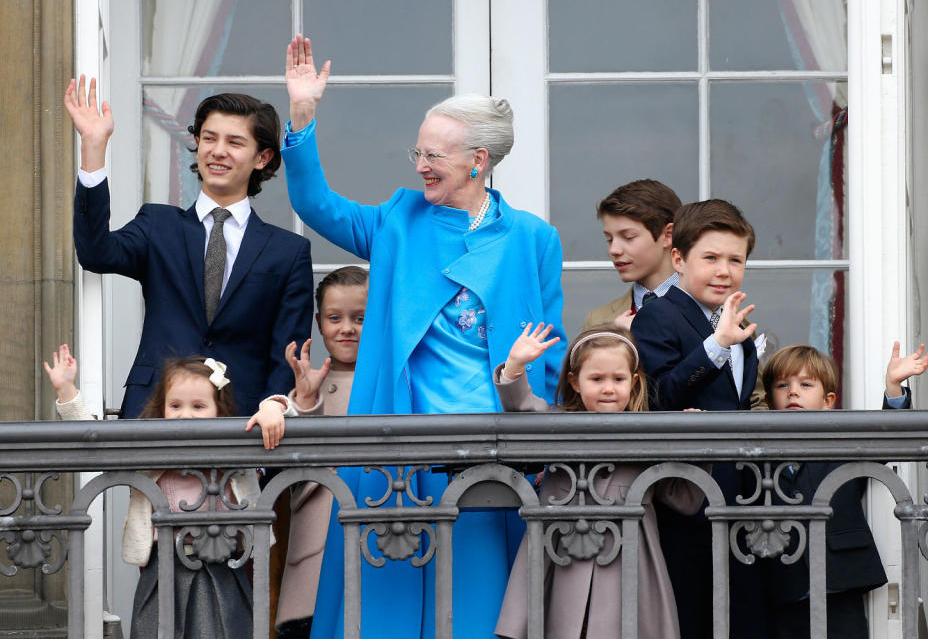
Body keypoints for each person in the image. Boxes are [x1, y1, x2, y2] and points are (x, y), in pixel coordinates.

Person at [282, 35, 566, 638]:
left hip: (492, 459)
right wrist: (303, 115)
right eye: (418, 151)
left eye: (434, 154)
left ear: (478, 160)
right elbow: (315, 202)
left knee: (476, 613)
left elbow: (550, 350)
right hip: (396, 447)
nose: (421, 165)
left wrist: (539, 442)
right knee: (381, 612)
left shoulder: (532, 239)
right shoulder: (397, 221)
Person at [65, 78, 314, 417]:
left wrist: (275, 405)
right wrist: (93, 148)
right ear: (197, 144)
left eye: (235, 142)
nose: (218, 150)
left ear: (262, 157)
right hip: (154, 412)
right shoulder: (158, 224)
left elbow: (288, 352)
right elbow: (96, 252)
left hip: (243, 424)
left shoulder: (288, 252)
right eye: (208, 138)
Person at [44, 345, 280, 638]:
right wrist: (67, 391)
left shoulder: (236, 450)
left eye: (198, 406)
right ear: (163, 408)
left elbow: (285, 423)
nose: (186, 415)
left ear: (219, 409)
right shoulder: (150, 453)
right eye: (176, 405)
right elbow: (97, 444)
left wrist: (273, 407)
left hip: (224, 569)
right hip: (164, 570)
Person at [492, 323, 704, 639]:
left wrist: (697, 444)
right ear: (574, 382)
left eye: (618, 379)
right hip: (563, 551)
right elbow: (524, 410)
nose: (608, 388)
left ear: (633, 383)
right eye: (596, 379)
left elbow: (684, 500)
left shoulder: (649, 433)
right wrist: (516, 367)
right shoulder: (558, 424)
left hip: (629, 559)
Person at [629, 199, 760, 639]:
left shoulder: (736, 326)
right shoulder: (656, 315)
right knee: (691, 616)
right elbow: (659, 396)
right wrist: (716, 345)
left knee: (738, 616)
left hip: (739, 500)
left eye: (736, 259)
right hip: (686, 497)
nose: (724, 270)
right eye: (711, 258)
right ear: (679, 259)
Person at [760, 341, 928, 639]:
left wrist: (893, 388)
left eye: (805, 384)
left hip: (839, 581)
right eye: (782, 384)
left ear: (828, 400)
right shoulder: (759, 451)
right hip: (785, 585)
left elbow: (888, 441)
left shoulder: (843, 442)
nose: (793, 391)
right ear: (770, 398)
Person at [251, 266, 368, 639]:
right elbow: (288, 422)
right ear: (319, 323)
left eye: (360, 318)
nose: (346, 328)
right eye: (335, 318)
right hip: (314, 559)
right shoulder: (308, 382)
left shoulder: (390, 381)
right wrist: (292, 401)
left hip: (376, 548)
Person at [582, 180, 681, 331]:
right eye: (609, 239)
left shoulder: (717, 310)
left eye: (629, 237)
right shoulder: (598, 321)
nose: (614, 250)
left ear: (668, 235)